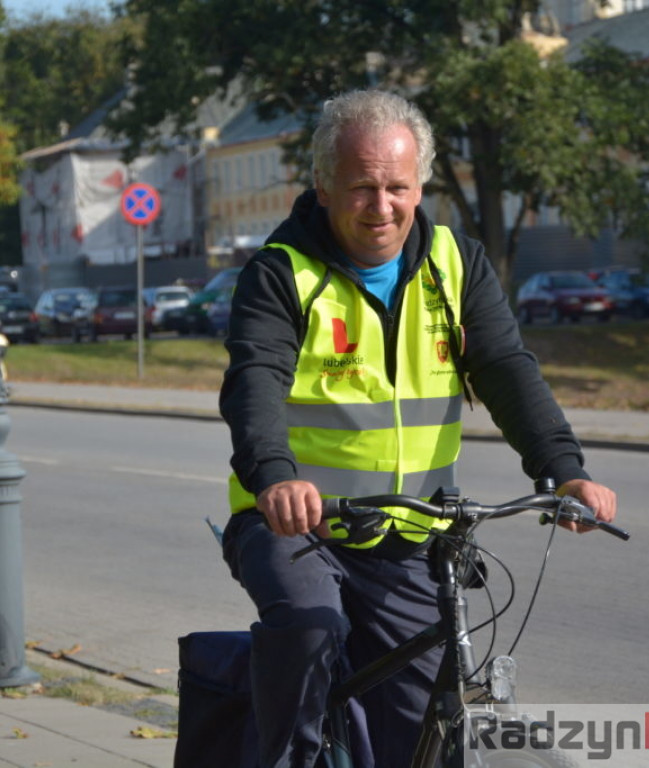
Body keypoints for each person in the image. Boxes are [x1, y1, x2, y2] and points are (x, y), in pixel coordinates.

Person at [218, 89, 617, 768]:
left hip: (410, 532)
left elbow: (506, 370)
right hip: (298, 526)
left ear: (421, 182)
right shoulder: (282, 273)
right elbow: (252, 382)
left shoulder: (454, 264)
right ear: (321, 185)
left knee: (425, 724)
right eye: (362, 188)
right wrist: (275, 478)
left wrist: (562, 468)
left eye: (397, 187)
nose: (382, 207)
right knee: (310, 627)